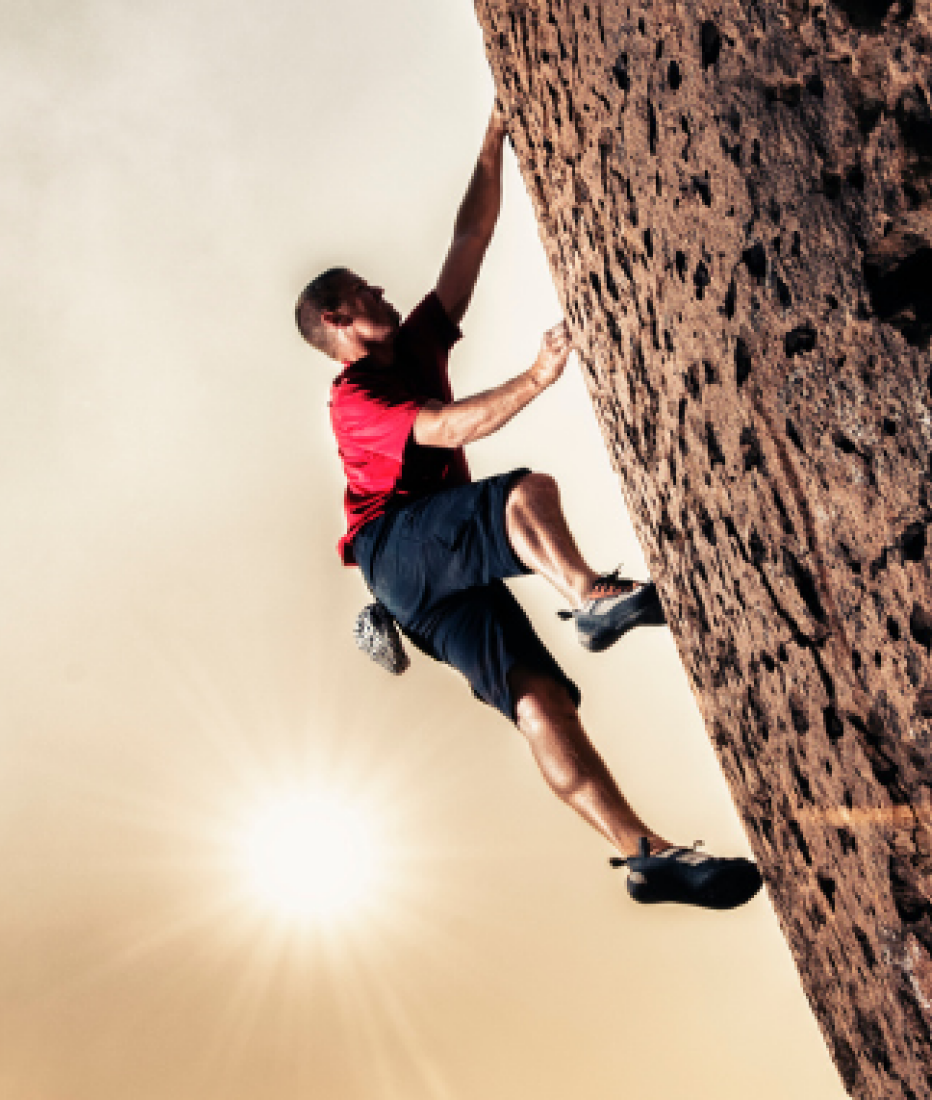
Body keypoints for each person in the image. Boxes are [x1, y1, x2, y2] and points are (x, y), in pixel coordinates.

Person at [294, 105, 761, 910]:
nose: (382, 289)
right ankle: (590, 599)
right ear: (337, 321)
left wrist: (492, 135)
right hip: (395, 548)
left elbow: (466, 243)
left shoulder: (415, 344)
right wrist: (538, 376)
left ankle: (644, 856)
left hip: (425, 584)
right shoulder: (355, 394)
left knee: (538, 699)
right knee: (524, 495)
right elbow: (440, 429)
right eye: (364, 291)